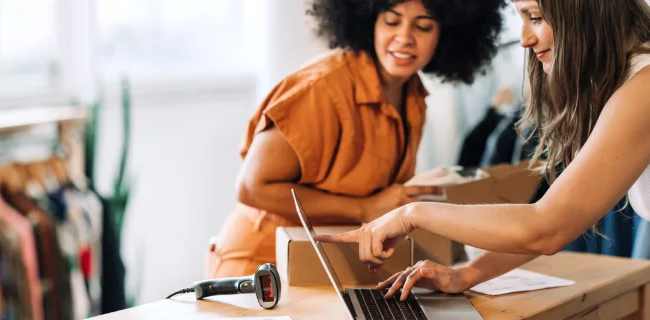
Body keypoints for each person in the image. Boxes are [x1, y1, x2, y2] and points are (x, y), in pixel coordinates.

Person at [315, 0, 650, 317]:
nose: (523, 38)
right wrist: (464, 275)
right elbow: (557, 215)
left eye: (535, 17)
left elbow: (547, 228)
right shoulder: (643, 75)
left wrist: (411, 214)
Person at [204, 0, 508, 278]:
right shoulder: (321, 88)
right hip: (259, 268)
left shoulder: (413, 93)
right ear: (368, 22)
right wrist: (365, 207)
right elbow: (251, 187)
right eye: (391, 21)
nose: (404, 37)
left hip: (323, 268)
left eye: (423, 26)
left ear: (448, 34)